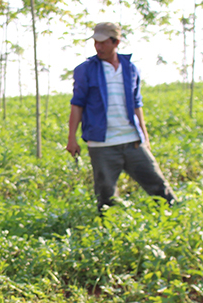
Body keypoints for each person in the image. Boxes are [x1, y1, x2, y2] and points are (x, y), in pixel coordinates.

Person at [66, 22, 176, 211]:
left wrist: (145, 138)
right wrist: (71, 138)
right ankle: (108, 232)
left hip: (132, 140)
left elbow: (136, 104)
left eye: (103, 43)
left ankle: (175, 217)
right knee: (106, 196)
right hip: (101, 144)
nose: (98, 47)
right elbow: (77, 104)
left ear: (115, 42)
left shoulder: (130, 68)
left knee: (159, 187)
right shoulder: (85, 69)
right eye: (96, 43)